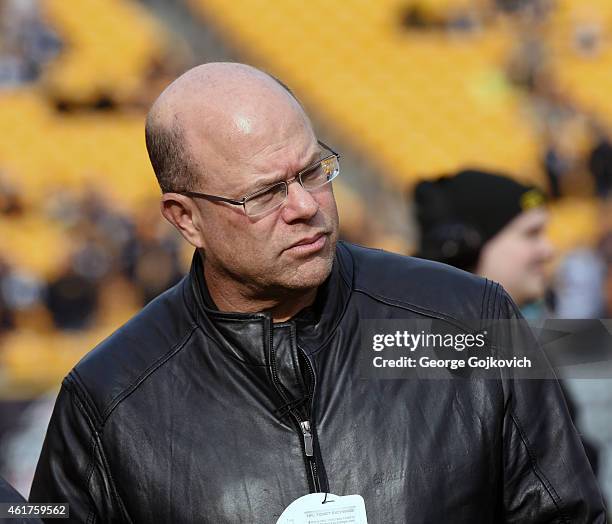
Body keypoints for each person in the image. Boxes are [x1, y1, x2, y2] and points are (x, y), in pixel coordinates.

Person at [30, 63, 606, 522]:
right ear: (185, 219)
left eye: (311, 172)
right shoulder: (107, 400)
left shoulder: (472, 321)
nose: (305, 207)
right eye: (264, 193)